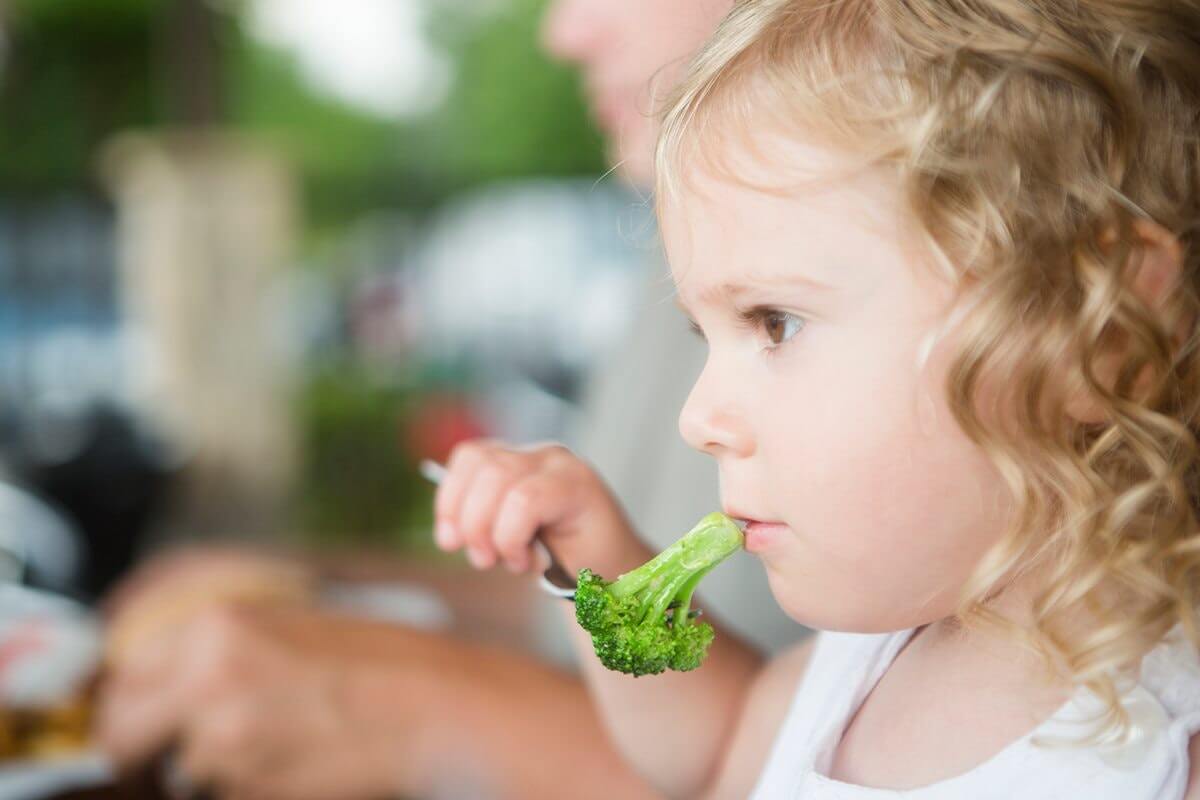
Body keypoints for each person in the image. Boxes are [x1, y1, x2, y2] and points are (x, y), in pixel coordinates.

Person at [432, 0, 1200, 798]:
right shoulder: (870, 656)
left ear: (1095, 329)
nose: (699, 420)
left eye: (776, 322)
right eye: (706, 335)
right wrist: (601, 564)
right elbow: (721, 745)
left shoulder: (1159, 760)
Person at [98, 1, 767, 798]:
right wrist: (309, 580)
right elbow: (574, 612)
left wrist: (394, 705)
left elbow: (786, 758)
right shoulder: (677, 270)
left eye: (781, 324)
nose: (561, 34)